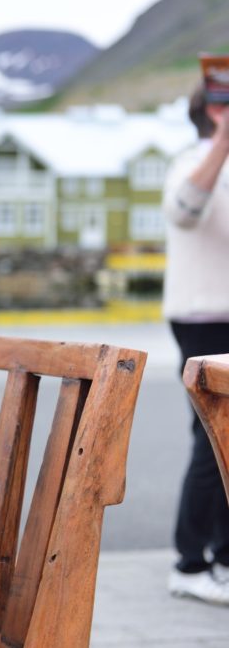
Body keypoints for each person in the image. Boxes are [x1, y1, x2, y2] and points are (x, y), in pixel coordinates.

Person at [163, 81, 229, 605]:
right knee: (213, 437)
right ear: (215, 110)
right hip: (205, 319)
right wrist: (223, 142)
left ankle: (223, 556)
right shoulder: (191, 160)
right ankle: (189, 562)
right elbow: (185, 209)